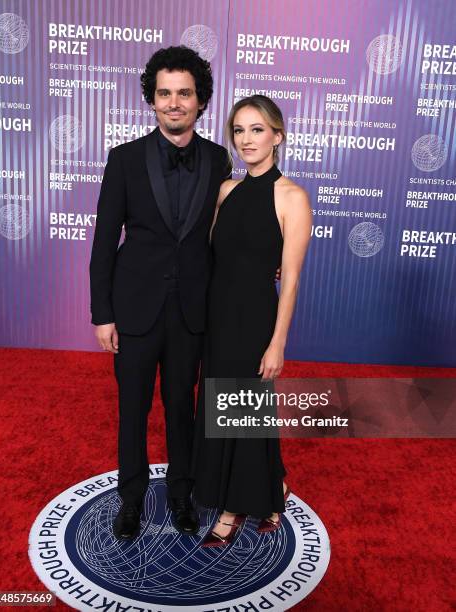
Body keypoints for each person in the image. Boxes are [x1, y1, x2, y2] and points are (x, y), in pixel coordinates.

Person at [89, 46, 231, 540]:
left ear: (200, 101)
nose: (174, 103)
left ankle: (180, 495)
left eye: (184, 94)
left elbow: (223, 232)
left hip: (192, 309)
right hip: (133, 309)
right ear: (151, 98)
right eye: (165, 93)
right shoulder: (124, 159)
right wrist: (101, 313)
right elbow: (105, 239)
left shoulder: (218, 159)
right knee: (133, 409)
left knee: (182, 407)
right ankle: (130, 500)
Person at [192, 95, 312, 546]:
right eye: (239, 130)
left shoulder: (292, 197)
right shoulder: (225, 190)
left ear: (278, 136)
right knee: (229, 409)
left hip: (255, 318)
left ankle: (232, 507)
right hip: (217, 316)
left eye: (257, 129)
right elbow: (210, 253)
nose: (246, 139)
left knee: (242, 410)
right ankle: (274, 482)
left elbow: (292, 279)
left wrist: (278, 342)